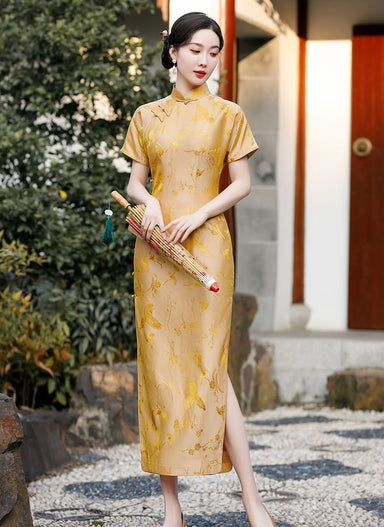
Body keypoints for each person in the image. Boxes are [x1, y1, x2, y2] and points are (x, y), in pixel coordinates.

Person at [121, 11, 276, 527]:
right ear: (173, 51)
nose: (205, 60)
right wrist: (153, 206)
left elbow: (242, 185)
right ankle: (171, 507)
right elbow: (137, 182)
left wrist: (201, 211)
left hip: (207, 248)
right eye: (196, 50)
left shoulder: (228, 114)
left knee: (212, 368)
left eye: (214, 51)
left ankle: (253, 500)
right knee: (163, 371)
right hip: (158, 253)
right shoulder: (146, 116)